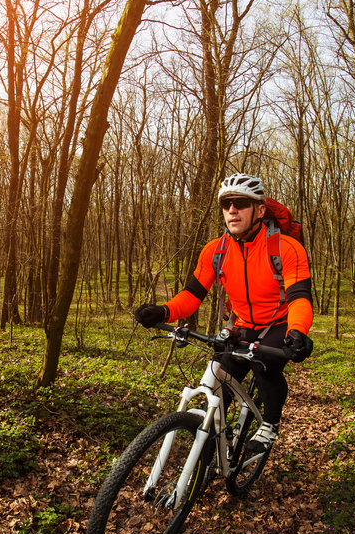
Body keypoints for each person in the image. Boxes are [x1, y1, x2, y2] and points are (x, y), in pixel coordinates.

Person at [134, 173, 314, 453]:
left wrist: (297, 332)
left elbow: (299, 298)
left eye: (241, 203)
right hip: (241, 323)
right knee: (219, 378)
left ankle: (269, 423)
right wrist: (164, 311)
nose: (232, 210)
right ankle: (211, 444)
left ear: (260, 210)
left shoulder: (285, 248)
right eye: (226, 204)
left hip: (279, 322)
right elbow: (192, 295)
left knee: (264, 363)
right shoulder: (216, 250)